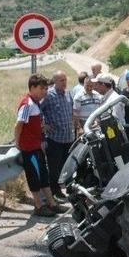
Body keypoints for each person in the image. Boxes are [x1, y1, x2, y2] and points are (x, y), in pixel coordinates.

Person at [14, 74, 64, 217]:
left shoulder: (35, 103)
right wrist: (17, 142)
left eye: (46, 89)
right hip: (29, 149)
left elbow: (33, 124)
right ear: (33, 87)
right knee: (35, 177)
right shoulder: (27, 104)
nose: (45, 92)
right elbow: (19, 124)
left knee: (43, 176)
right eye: (42, 88)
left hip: (37, 147)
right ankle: (39, 206)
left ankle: (52, 204)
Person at [40, 71, 75, 200]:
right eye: (61, 80)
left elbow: (71, 112)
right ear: (54, 82)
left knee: (64, 167)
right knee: (53, 168)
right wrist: (43, 125)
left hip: (68, 138)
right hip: (54, 139)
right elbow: (37, 110)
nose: (64, 82)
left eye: (65, 79)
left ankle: (60, 189)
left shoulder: (68, 94)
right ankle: (53, 192)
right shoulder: (48, 95)